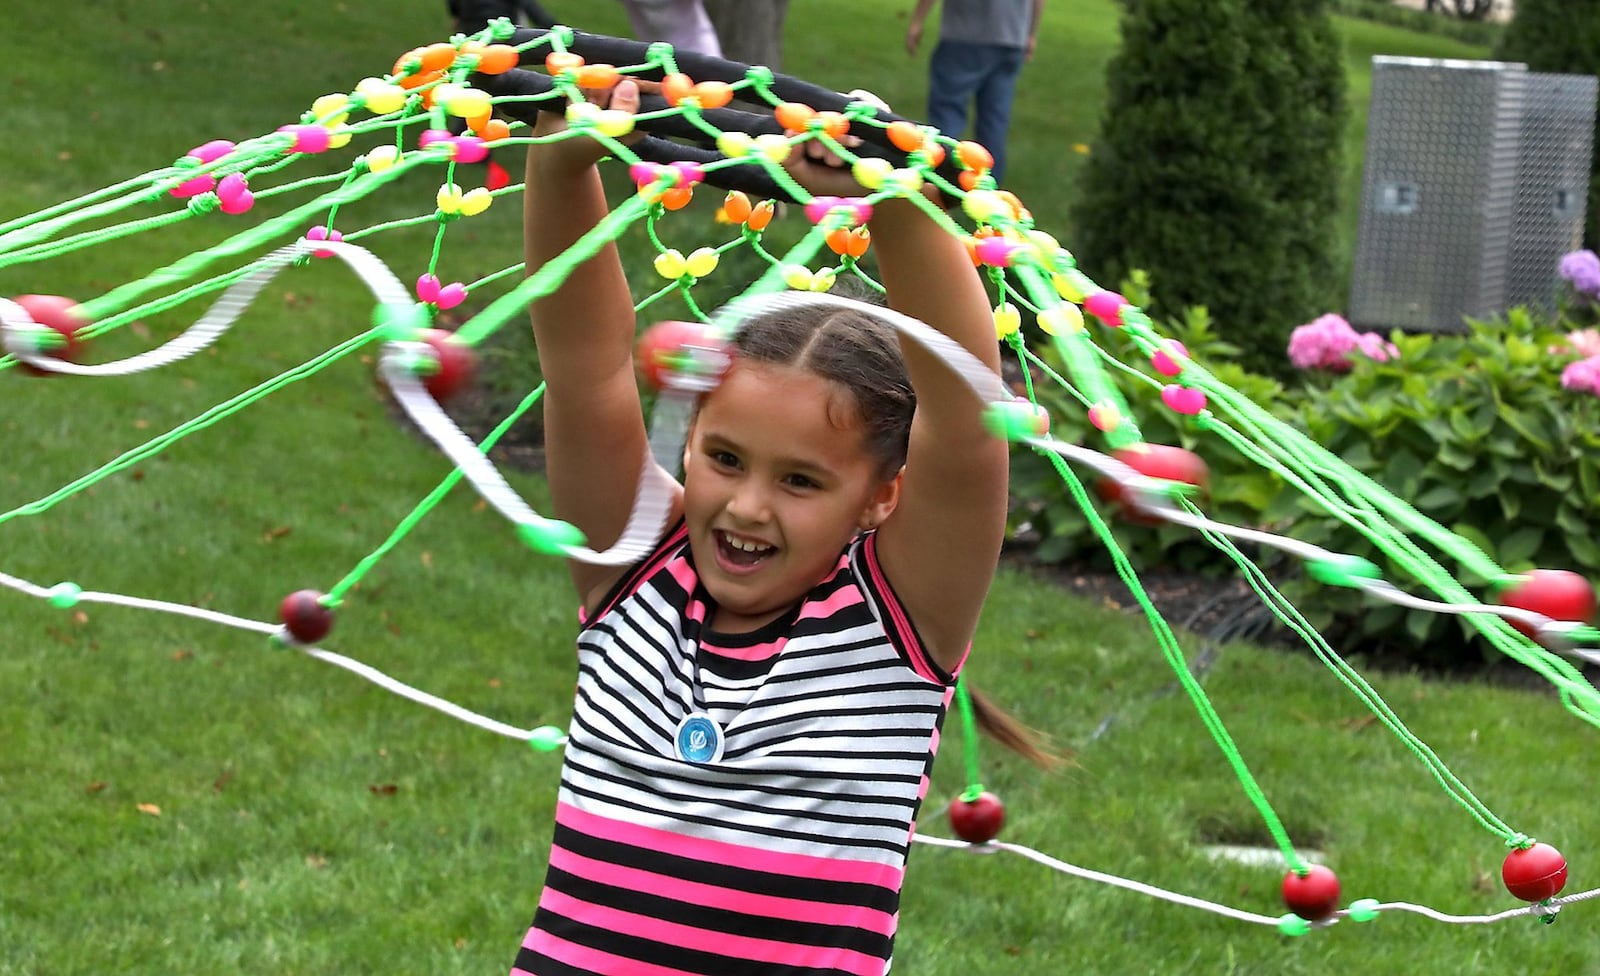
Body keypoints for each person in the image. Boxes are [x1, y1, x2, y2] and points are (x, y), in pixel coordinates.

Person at [511, 76, 1013, 975]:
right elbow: (584, 363)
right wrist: (562, 165)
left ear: (881, 496)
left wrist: (890, 200)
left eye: (802, 480)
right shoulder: (631, 567)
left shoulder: (899, 628)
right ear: (691, 437)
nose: (746, 506)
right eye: (726, 459)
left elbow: (969, 426)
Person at [906, 0, 1043, 185]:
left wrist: (917, 20)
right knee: (994, 123)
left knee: (948, 114)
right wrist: (1031, 32)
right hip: (1011, 37)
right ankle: (987, 193)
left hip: (964, 36)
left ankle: (940, 184)